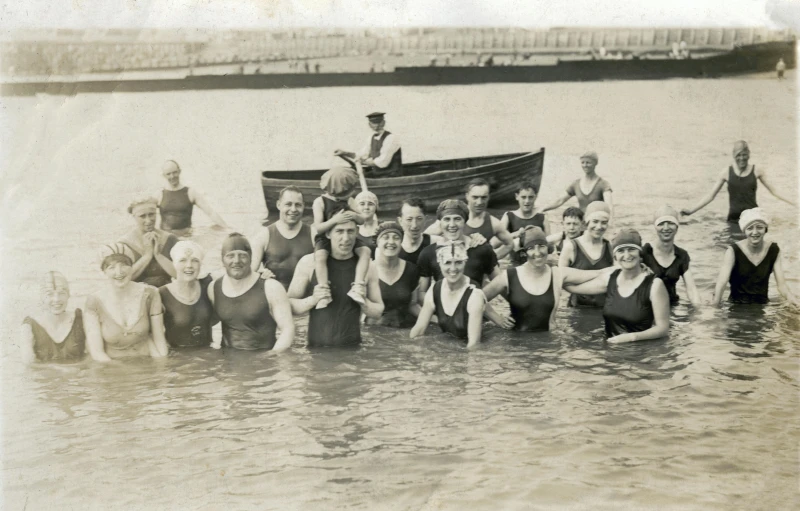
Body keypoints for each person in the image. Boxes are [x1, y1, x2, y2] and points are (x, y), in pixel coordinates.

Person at [288, 218, 384, 347]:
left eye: (350, 231)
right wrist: (313, 299)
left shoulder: (368, 267)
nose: (346, 238)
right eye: (339, 231)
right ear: (328, 234)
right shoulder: (309, 263)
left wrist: (364, 302)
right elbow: (290, 305)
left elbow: (378, 312)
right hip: (316, 351)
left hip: (353, 351)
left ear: (357, 232)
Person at [563, 229, 671, 343]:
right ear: (615, 256)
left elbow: (663, 329)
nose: (626, 255)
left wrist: (631, 337)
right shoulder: (610, 279)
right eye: (621, 251)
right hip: (610, 351)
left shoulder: (655, 285)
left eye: (631, 249)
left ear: (640, 253)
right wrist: (601, 272)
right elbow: (572, 286)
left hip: (640, 353)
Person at [208, 234, 294, 351]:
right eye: (230, 256)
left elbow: (287, 329)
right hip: (227, 363)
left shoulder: (271, 287)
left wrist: (272, 357)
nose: (236, 261)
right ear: (222, 260)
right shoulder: (214, 288)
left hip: (263, 362)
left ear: (251, 258)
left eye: (242, 256)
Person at [84, 243, 169, 360]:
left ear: (132, 267)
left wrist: (163, 367)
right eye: (111, 267)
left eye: (124, 265)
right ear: (104, 272)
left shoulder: (150, 293)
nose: (119, 272)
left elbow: (159, 340)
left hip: (147, 363)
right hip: (112, 367)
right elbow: (97, 353)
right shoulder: (94, 301)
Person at [680, 141, 796, 223]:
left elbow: (774, 191)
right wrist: (691, 211)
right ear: (734, 156)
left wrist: (795, 203)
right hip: (733, 218)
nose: (742, 158)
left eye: (744, 155)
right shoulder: (726, 172)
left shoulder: (756, 171)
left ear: (749, 155)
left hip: (753, 218)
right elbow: (711, 196)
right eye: (738, 155)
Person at [311, 166, 371, 308]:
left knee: (366, 251)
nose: (347, 196)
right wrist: (335, 220)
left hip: (346, 235)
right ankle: (324, 290)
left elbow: (362, 220)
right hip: (325, 236)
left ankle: (358, 285)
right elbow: (318, 227)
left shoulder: (350, 201)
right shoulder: (319, 202)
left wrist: (356, 215)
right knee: (320, 256)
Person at [711, 208, 798, 306]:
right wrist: (714, 309)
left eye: (759, 227)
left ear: (765, 229)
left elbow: (782, 286)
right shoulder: (733, 251)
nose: (755, 232)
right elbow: (721, 284)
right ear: (744, 230)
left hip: (762, 306)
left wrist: (795, 302)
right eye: (750, 228)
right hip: (736, 309)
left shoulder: (773, 250)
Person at [416, 199, 500, 297]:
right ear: (440, 223)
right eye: (447, 219)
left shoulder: (482, 249)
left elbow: (500, 281)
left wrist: (481, 299)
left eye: (457, 219)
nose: (452, 225)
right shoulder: (429, 253)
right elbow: (422, 292)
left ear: (465, 221)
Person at [410, 241, 486, 348]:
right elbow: (419, 328)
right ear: (439, 263)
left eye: (458, 262)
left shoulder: (474, 295)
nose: (453, 268)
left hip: (468, 349)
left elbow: (474, 344)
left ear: (465, 262)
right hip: (447, 346)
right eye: (448, 262)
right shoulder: (434, 289)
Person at [425, 178, 514, 258]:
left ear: (488, 197)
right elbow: (423, 238)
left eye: (483, 197)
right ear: (467, 196)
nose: (479, 202)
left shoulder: (493, 223)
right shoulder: (452, 217)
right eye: (475, 197)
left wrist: (491, 260)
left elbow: (509, 244)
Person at [250, 186, 315, 290]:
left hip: (304, 300)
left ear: (303, 206)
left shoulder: (313, 234)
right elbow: (249, 273)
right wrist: (260, 275)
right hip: (275, 296)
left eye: (298, 205)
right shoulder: (264, 235)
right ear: (278, 205)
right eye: (288, 204)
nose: (293, 209)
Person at [159, 241, 218, 348]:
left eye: (195, 261)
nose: (189, 265)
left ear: (200, 265)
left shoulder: (208, 287)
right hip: (178, 358)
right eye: (182, 260)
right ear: (174, 264)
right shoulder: (162, 293)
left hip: (208, 355)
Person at [641, 206, 701, 306]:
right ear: (655, 227)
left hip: (672, 305)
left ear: (677, 226)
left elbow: (691, 290)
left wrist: (699, 311)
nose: (666, 228)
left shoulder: (682, 255)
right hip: (648, 307)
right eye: (661, 224)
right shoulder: (645, 252)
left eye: (671, 223)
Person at [20, 272, 85, 363]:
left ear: (68, 295)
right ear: (42, 297)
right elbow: (29, 365)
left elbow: (92, 358)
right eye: (49, 294)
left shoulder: (80, 319)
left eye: (61, 293)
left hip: (77, 377)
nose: (56, 299)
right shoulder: (29, 326)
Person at [559, 201, 614, 307]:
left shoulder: (610, 247)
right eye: (595, 221)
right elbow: (560, 279)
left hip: (603, 309)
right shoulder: (571, 247)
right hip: (576, 309)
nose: (599, 226)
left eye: (604, 222)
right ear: (586, 222)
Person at [366, 222, 421, 327]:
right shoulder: (366, 270)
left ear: (401, 242)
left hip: (403, 331)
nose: (391, 242)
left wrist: (433, 320)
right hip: (374, 331)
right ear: (377, 242)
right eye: (385, 237)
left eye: (396, 238)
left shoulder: (411, 270)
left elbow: (413, 305)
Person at [157, 160, 232, 236]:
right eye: (168, 174)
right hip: (165, 237)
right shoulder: (159, 194)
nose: (172, 176)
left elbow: (210, 212)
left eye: (174, 172)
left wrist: (227, 228)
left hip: (185, 237)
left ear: (179, 171)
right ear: (164, 175)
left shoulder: (190, 192)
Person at [118, 196, 178, 288]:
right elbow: (122, 279)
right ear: (134, 217)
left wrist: (158, 255)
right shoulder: (124, 244)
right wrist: (147, 255)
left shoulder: (170, 239)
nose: (148, 220)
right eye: (142, 216)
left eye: (151, 214)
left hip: (166, 292)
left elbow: (181, 275)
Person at [536, 151, 614, 216]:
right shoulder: (576, 184)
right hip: (581, 223)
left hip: (596, 223)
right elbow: (560, 200)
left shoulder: (603, 184)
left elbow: (609, 206)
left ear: (595, 163)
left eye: (588, 162)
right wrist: (543, 208)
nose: (585, 165)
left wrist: (609, 223)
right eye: (583, 162)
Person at [334, 112, 403, 177]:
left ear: (383, 123)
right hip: (378, 174)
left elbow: (382, 162)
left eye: (379, 122)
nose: (377, 125)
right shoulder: (371, 138)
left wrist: (360, 161)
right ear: (369, 124)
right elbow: (362, 155)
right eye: (373, 122)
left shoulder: (391, 138)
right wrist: (345, 153)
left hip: (391, 175)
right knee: (353, 178)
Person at [499, 180, 548, 264]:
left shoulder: (542, 217)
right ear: (516, 196)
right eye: (523, 197)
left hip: (536, 261)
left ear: (536, 197)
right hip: (515, 261)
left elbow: (548, 243)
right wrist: (515, 234)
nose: (527, 201)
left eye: (530, 197)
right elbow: (498, 240)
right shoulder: (509, 216)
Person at [397, 197, 435, 265]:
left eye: (419, 219)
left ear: (425, 219)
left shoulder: (434, 244)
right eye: (409, 219)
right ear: (400, 221)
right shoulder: (393, 247)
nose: (414, 225)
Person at [355, 190, 380, 256]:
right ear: (356, 207)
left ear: (376, 207)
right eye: (362, 204)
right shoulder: (352, 227)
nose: (366, 207)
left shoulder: (383, 227)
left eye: (370, 204)